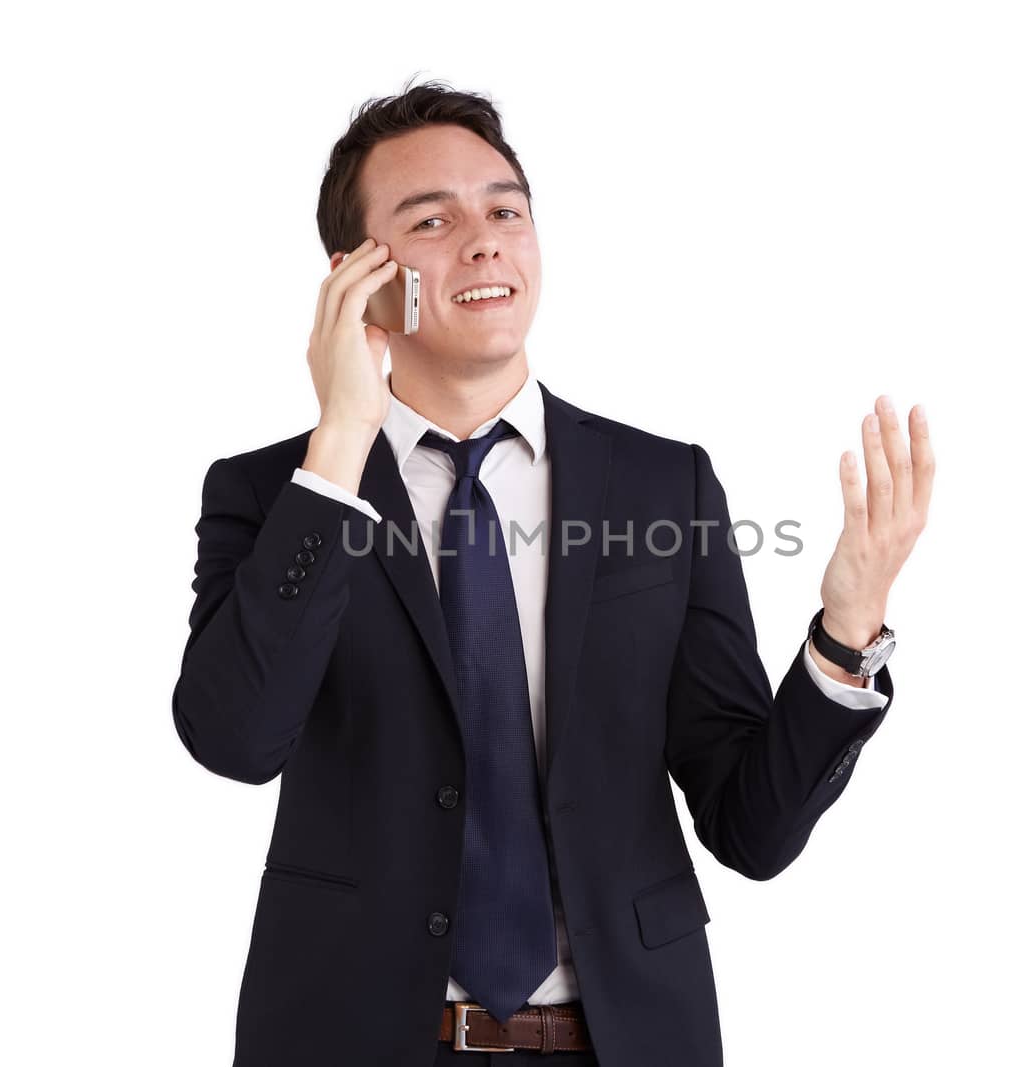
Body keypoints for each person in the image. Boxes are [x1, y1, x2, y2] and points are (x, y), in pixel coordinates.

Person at [172, 78, 934, 1067]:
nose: (484, 239)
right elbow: (234, 736)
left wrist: (846, 627)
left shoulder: (661, 484)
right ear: (355, 275)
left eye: (504, 210)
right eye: (431, 218)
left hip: (621, 1038)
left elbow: (750, 825)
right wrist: (340, 441)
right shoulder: (275, 492)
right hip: (349, 1034)